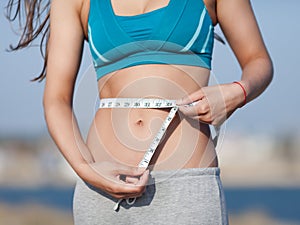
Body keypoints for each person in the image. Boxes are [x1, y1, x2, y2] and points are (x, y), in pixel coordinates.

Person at [6, 0, 273, 224]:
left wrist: (238, 92)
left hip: (187, 188)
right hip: (101, 194)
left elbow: (258, 61)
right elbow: (56, 100)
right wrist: (87, 169)